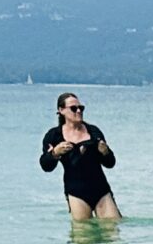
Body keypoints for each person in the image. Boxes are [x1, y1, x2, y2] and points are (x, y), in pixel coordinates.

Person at [41, 92, 119, 222]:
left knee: (113, 232)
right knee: (83, 237)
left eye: (81, 108)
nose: (78, 111)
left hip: (101, 190)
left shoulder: (93, 132)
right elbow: (46, 166)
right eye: (73, 108)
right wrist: (54, 153)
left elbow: (110, 163)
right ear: (61, 110)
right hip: (76, 192)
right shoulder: (54, 136)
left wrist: (105, 152)